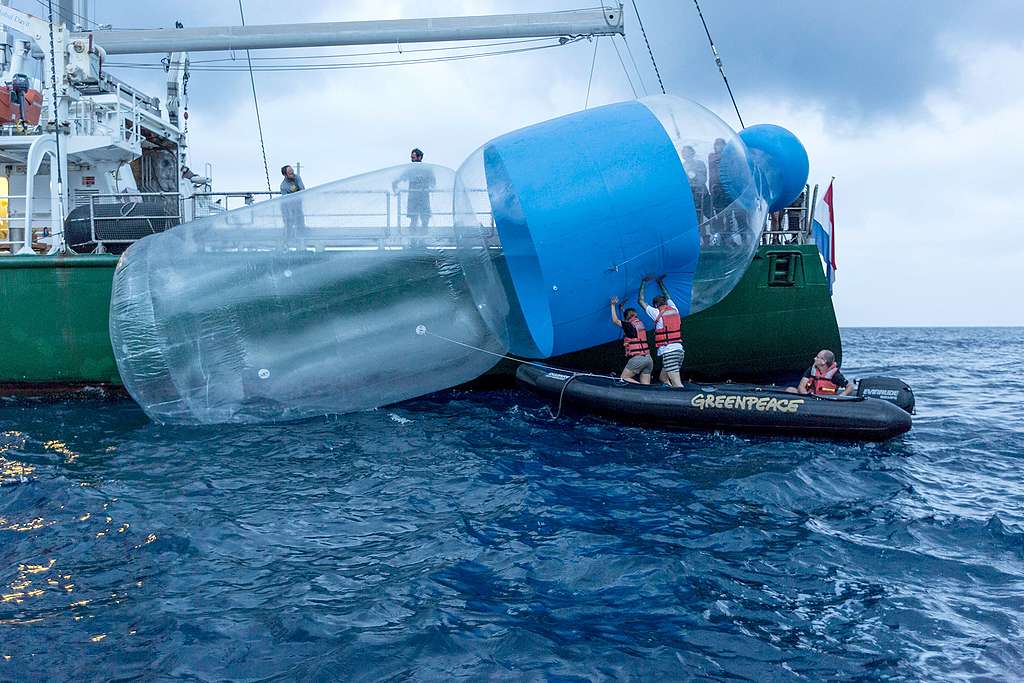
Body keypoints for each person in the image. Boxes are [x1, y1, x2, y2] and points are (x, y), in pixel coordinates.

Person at [638, 275, 684, 388]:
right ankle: (671, 395)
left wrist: (643, 282)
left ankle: (686, 403)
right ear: (666, 303)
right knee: (663, 378)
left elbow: (640, 301)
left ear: (655, 305)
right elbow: (668, 295)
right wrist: (660, 283)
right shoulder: (674, 309)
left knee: (677, 384)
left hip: (669, 352)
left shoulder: (656, 313)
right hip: (679, 351)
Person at [392, 148, 436, 247]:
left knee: (425, 220)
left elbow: (433, 183)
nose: (412, 160)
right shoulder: (410, 170)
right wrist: (395, 188)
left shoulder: (427, 170)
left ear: (420, 157)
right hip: (413, 199)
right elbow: (398, 180)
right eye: (411, 158)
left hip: (424, 198)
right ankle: (413, 240)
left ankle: (422, 240)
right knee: (413, 220)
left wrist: (427, 187)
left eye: (414, 157)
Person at [610, 296, 653, 384]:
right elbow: (627, 320)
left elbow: (615, 321)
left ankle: (639, 386)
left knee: (624, 377)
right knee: (646, 387)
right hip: (649, 359)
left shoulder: (629, 326)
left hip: (638, 359)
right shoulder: (639, 323)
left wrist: (613, 305)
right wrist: (622, 309)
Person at [787, 349, 854, 396]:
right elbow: (801, 386)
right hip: (809, 397)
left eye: (817, 357)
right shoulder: (811, 370)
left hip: (825, 400)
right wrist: (806, 396)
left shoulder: (835, 375)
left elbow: (850, 387)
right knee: (790, 389)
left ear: (823, 361)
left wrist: (841, 396)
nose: (814, 358)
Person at [279, 164, 306, 239]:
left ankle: (302, 233)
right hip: (288, 206)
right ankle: (288, 236)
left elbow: (302, 189)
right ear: (285, 175)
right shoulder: (283, 186)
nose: (293, 174)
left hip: (297, 204)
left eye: (292, 171)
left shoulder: (297, 177)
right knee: (289, 221)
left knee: (300, 218)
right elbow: (285, 200)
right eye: (290, 173)